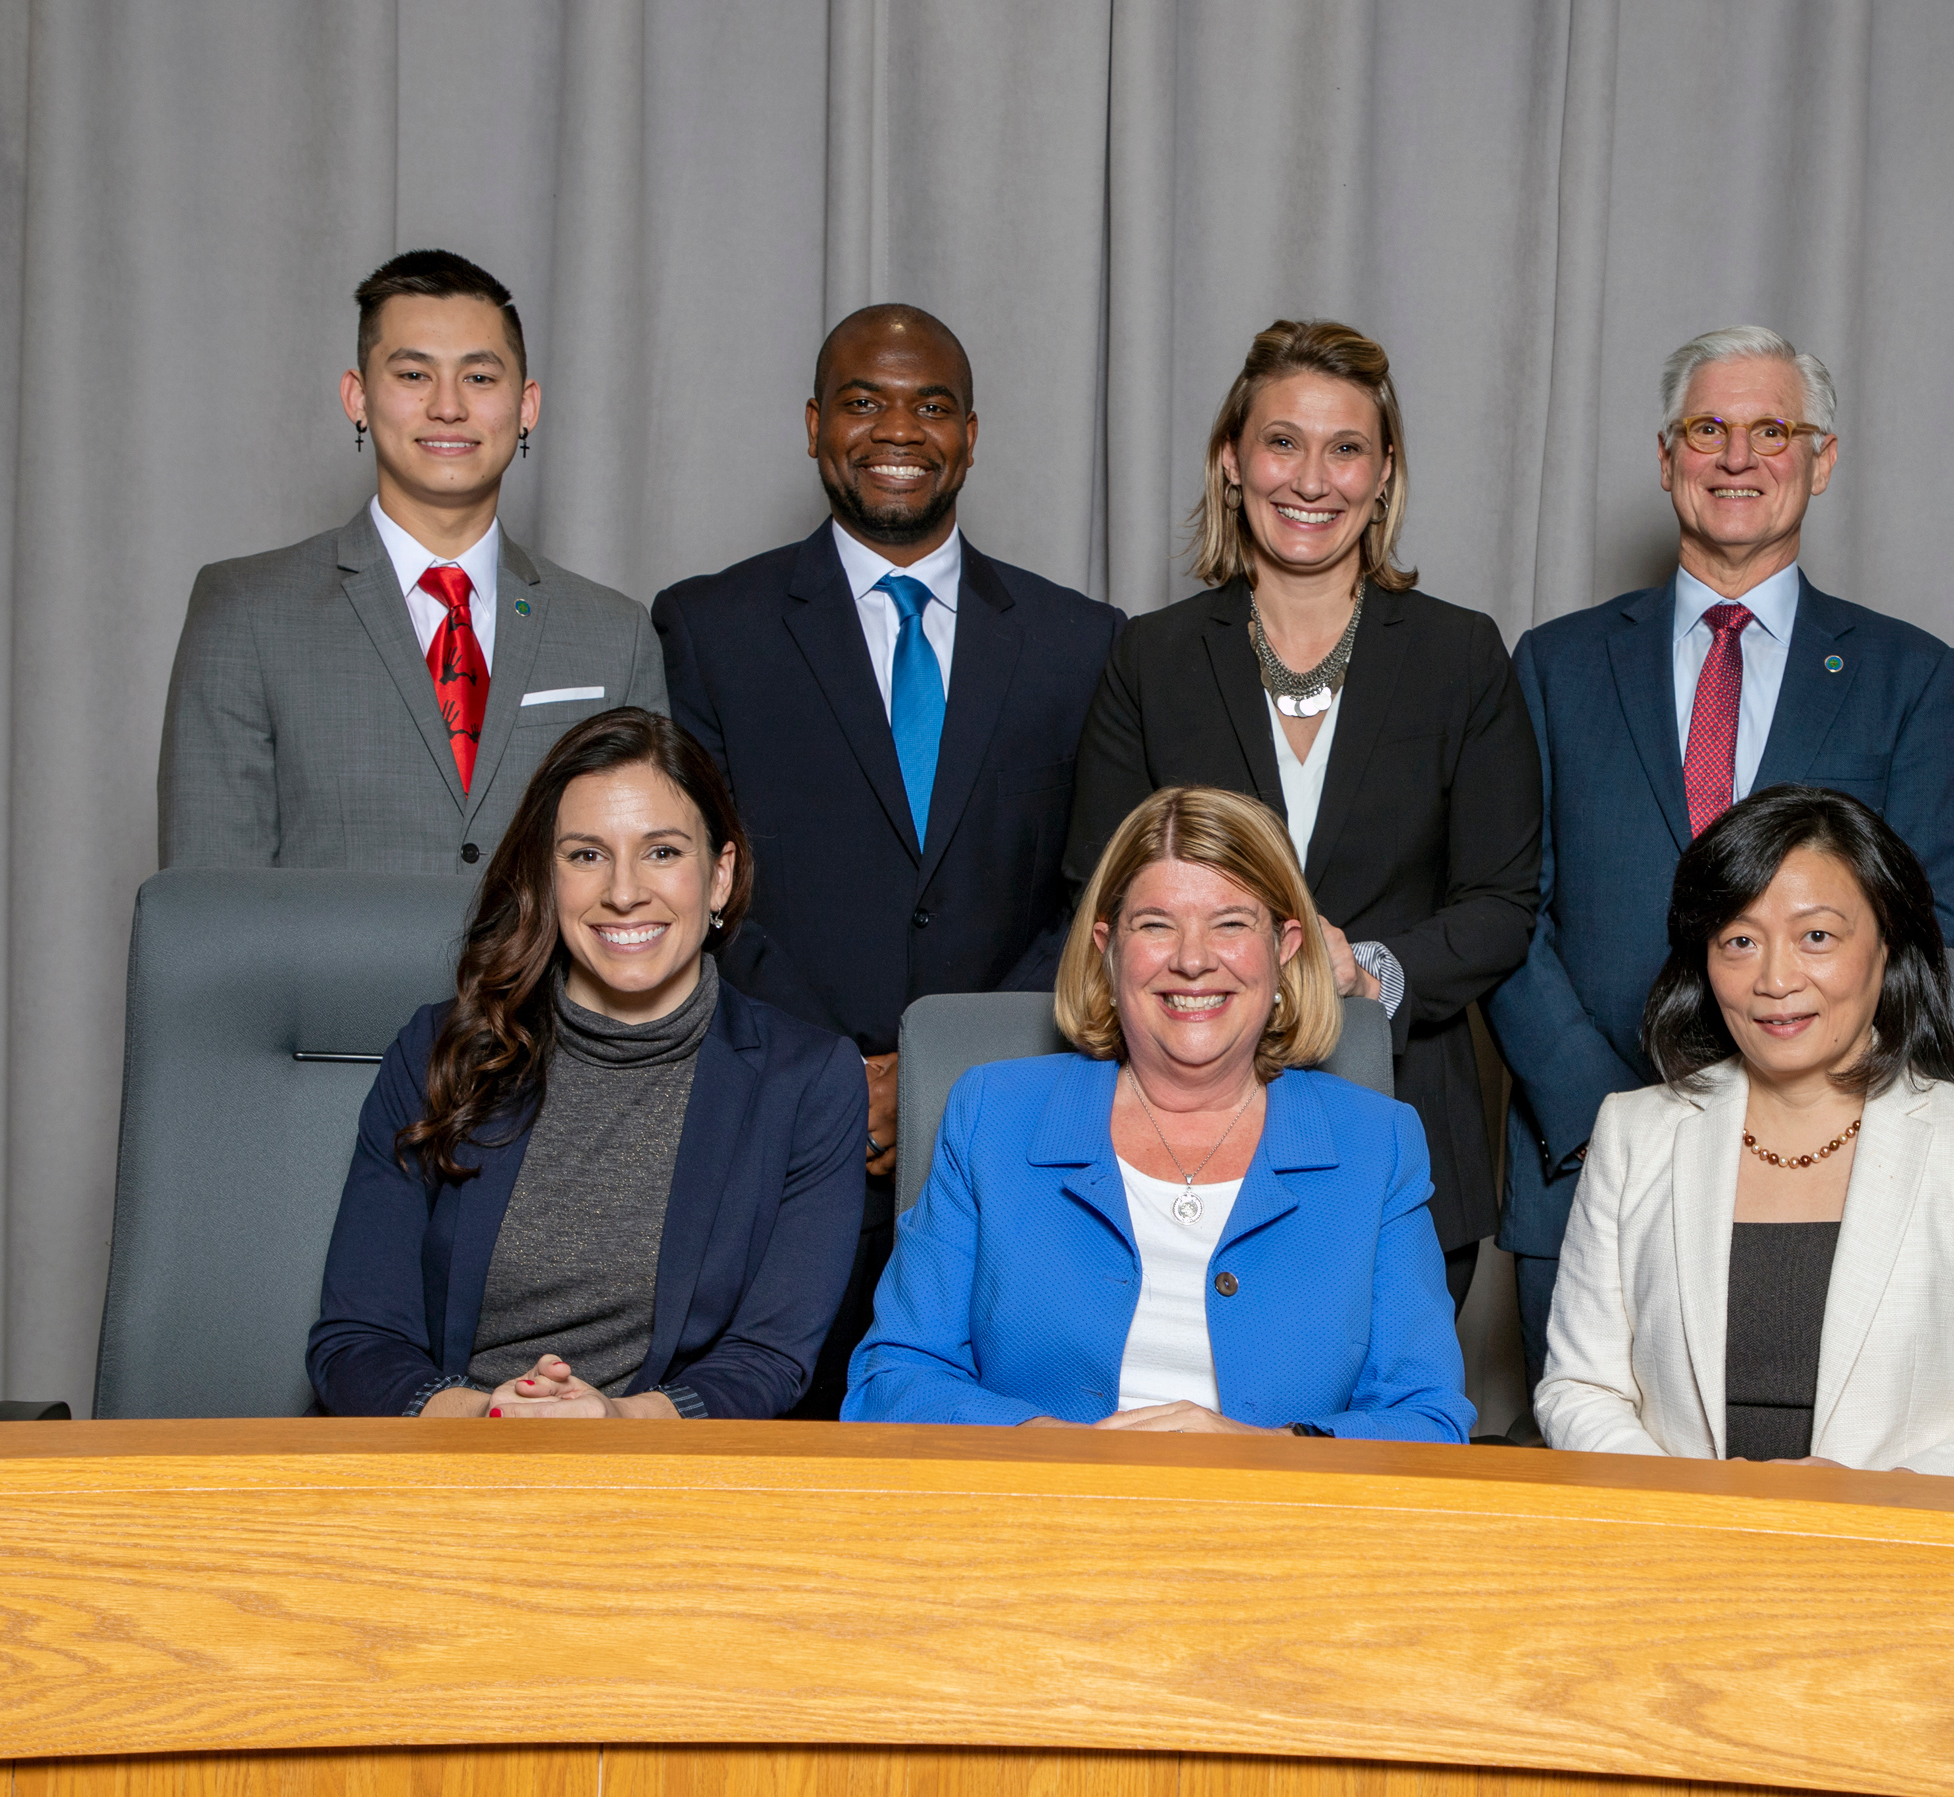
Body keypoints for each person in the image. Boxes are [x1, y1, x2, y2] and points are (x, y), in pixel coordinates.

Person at [1485, 324, 1954, 1394]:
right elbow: (1504, 905)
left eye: (1771, 430)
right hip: (1581, 1152)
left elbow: (1926, 924)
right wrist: (1598, 1116)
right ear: (1667, 459)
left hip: (1822, 1167)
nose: (1737, 457)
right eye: (1708, 429)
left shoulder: (1910, 676)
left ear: (1821, 458)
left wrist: (1806, 1112)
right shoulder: (1556, 661)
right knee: (1581, 1490)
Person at [655, 304, 1126, 1410]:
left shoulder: (1082, 641)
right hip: (779, 1139)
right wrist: (838, 1077)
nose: (896, 428)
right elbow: (694, 886)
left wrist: (947, 1065)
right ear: (816, 426)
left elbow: (1096, 895)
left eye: (931, 404)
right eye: (864, 401)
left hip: (1008, 1129)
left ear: (971, 434)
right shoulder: (709, 627)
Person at [1065, 320, 1540, 1309]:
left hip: (1402, 1118)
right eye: (1283, 441)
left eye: (1345, 447)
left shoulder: (1461, 655)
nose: (1311, 479)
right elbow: (1094, 890)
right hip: (1175, 1135)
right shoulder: (1148, 659)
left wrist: (1370, 971)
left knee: (1376, 1452)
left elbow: (1502, 900)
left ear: (1384, 471)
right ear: (1232, 460)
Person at [843, 786, 1474, 1441]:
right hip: (1039, 1521)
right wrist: (1067, 1452)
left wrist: (1262, 1456)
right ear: (1109, 948)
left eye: (1231, 923)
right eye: (1155, 924)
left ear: (1285, 947)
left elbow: (1427, 1418)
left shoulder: (1378, 1144)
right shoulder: (991, 1116)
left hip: (1280, 1529)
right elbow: (893, 1378)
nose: (1193, 959)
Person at [307, 708, 867, 1420]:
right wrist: (484, 1418)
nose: (624, 891)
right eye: (586, 855)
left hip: (661, 1481)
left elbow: (770, 1358)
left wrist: (617, 1423)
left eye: (663, 852)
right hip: (442, 1460)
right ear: (547, 878)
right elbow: (357, 1340)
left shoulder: (809, 1082)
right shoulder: (435, 1050)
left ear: (720, 876)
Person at [1536, 788, 1954, 1474]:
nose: (1774, 978)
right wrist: (1688, 1499)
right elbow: (1580, 1387)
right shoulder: (1633, 1133)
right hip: (1682, 1547)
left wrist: (1877, 1502)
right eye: (1739, 941)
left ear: (1887, 946)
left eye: (1816, 937)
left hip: (1895, 1557)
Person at [161, 250, 669, 872]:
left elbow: (647, 877)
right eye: (412, 375)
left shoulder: (613, 634)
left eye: (479, 377)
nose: (448, 406)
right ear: (358, 396)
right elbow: (212, 903)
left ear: (527, 405)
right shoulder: (246, 612)